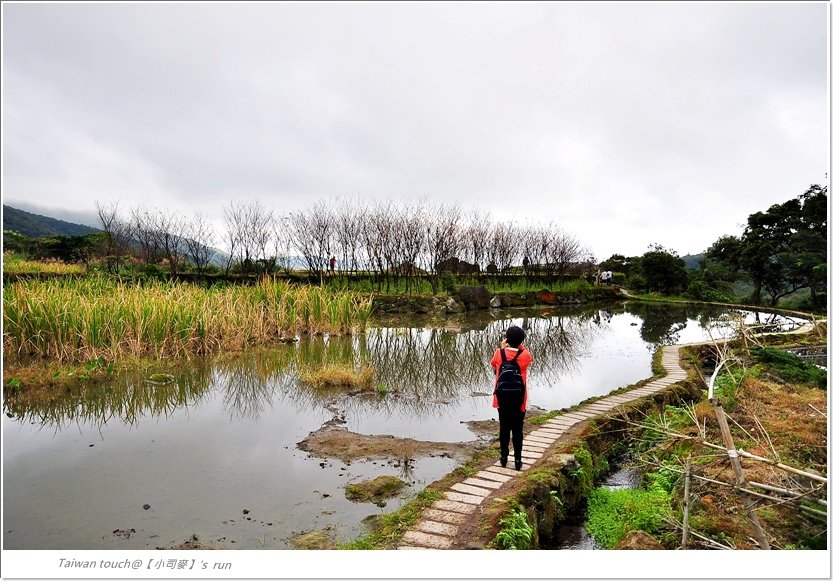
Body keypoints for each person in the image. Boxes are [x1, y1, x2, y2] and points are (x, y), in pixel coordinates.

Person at [490, 325, 533, 471]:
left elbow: (493, 364)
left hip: (502, 398)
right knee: (517, 429)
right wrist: (518, 344)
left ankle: (503, 458)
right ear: (521, 341)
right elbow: (527, 354)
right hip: (519, 398)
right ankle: (518, 461)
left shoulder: (499, 353)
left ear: (507, 339)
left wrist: (503, 346)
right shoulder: (525, 355)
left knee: (504, 427)